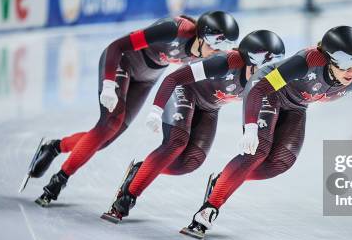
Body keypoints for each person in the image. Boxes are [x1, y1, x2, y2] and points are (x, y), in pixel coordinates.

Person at [25, 11, 239, 207]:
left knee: (105, 140)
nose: (214, 54)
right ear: (201, 37)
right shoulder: (174, 30)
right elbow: (117, 47)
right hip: (123, 62)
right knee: (109, 124)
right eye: (213, 47)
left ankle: (55, 147)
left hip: (147, 79)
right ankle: (59, 180)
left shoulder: (212, 53)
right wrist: (109, 84)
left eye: (220, 49)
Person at [181, 25, 352, 239]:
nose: (351, 71)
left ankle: (223, 180)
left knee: (280, 163)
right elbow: (260, 88)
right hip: (269, 92)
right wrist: (251, 127)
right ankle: (208, 211)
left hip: (297, 105)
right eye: (345, 63)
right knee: (258, 151)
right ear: (326, 59)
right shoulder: (305, 64)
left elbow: (312, 93)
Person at [101, 30, 286, 222]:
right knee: (176, 143)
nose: (266, 77)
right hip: (186, 90)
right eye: (264, 69)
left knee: (190, 162)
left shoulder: (269, 82)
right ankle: (127, 197)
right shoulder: (225, 62)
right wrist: (156, 110)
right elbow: (173, 79)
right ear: (249, 61)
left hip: (210, 107)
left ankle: (142, 169)